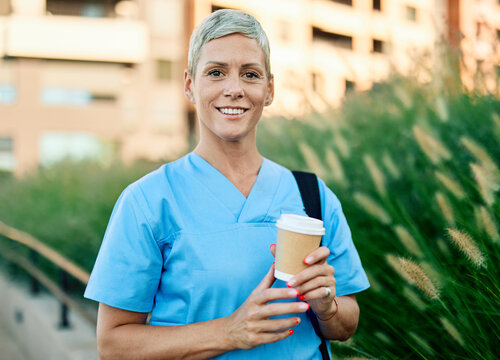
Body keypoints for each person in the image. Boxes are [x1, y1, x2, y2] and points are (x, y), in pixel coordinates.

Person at [84, 9, 369, 360]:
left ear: (269, 90)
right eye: (216, 73)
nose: (234, 89)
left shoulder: (313, 197)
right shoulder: (148, 201)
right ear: (190, 85)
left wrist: (326, 307)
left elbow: (346, 322)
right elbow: (112, 346)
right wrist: (230, 332)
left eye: (250, 74)